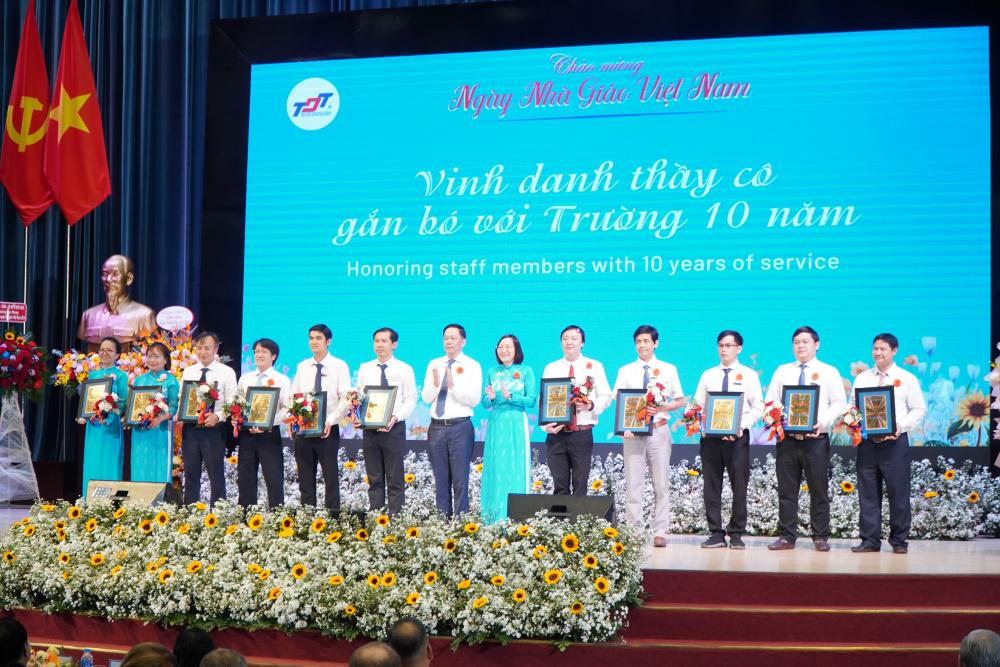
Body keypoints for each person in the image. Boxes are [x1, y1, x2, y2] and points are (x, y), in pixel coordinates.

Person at [765, 326, 847, 552]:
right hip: (787, 440)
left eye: (805, 342)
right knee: (786, 491)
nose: (800, 346)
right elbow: (770, 402)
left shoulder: (829, 371)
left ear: (816, 344)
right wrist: (777, 419)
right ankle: (786, 537)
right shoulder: (782, 371)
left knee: (818, 489)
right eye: (796, 342)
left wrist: (824, 421)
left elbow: (840, 403)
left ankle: (820, 536)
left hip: (816, 439)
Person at [850, 333, 927, 555]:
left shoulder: (906, 378)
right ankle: (869, 540)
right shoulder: (862, 378)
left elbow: (919, 409)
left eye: (883, 349)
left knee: (898, 493)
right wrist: (852, 420)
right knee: (868, 494)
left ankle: (899, 541)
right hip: (867, 444)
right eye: (875, 348)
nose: (878, 353)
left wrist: (901, 425)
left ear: (894, 351)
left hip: (895, 444)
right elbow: (853, 407)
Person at [611, 325, 686, 547]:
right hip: (633, 433)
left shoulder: (668, 369)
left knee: (660, 482)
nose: (642, 345)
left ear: (656, 343)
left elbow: (679, 400)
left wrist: (661, 408)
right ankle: (634, 530)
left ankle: (660, 531)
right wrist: (625, 423)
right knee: (633, 483)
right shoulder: (625, 370)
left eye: (646, 341)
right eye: (638, 341)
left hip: (659, 430)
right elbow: (619, 399)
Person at [693, 330, 763, 550]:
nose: (724, 349)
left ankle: (736, 533)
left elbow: (758, 407)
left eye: (729, 346)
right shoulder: (708, 375)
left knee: (739, 486)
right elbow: (697, 405)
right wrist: (701, 424)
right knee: (711, 486)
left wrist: (741, 426)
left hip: (737, 438)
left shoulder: (749, 375)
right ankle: (715, 533)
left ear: (739, 348)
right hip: (711, 440)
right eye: (721, 345)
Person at [540, 325, 611, 496]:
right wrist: (545, 427)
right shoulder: (551, 367)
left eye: (574, 338)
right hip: (556, 433)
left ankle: (579, 522)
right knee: (559, 485)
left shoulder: (594, 366)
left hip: (581, 433)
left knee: (580, 483)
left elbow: (606, 396)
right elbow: (544, 401)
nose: (569, 342)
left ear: (582, 343)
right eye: (565, 338)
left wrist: (591, 405)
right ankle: (560, 522)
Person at [420, 323, 482, 517]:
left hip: (460, 427)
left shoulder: (472, 365)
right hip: (436, 427)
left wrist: (453, 386)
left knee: (460, 480)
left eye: (453, 337)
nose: (448, 341)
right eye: (445, 337)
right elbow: (426, 398)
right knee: (440, 479)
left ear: (463, 341)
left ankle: (461, 524)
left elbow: (474, 400)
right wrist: (437, 385)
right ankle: (442, 523)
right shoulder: (434, 364)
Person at [355, 327, 417, 516]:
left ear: (394, 344)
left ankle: (395, 520)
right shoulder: (365, 368)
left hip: (393, 428)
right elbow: (359, 396)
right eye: (376, 341)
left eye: (384, 341)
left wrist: (395, 417)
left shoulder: (404, 369)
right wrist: (356, 414)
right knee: (374, 478)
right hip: (370, 430)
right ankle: (376, 518)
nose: (379, 345)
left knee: (395, 478)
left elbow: (410, 399)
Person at [290, 324, 350, 512]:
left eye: (318, 338)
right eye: (311, 338)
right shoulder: (302, 366)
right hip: (304, 429)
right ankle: (308, 516)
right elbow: (295, 396)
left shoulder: (339, 366)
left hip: (327, 428)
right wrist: (293, 421)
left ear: (328, 341)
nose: (313, 342)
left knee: (330, 476)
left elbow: (346, 398)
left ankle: (332, 517)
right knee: (305, 476)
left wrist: (331, 420)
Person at [480, 334, 537, 523]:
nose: (504, 350)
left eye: (508, 347)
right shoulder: (491, 371)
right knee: (495, 469)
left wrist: (511, 396)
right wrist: (493, 398)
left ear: (516, 350)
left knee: (515, 466)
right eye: (501, 347)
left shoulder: (526, 371)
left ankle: (517, 518)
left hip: (515, 422)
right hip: (496, 422)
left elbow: (531, 400)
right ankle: (492, 519)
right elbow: (485, 402)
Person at [178, 331, 238, 505]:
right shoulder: (188, 371)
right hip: (190, 430)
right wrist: (181, 414)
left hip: (214, 430)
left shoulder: (226, 372)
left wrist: (218, 416)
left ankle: (218, 515)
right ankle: (190, 516)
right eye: (199, 348)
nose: (202, 352)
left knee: (216, 475)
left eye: (207, 348)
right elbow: (183, 397)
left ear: (216, 349)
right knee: (190, 475)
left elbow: (232, 402)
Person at [235, 338, 291, 508]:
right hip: (247, 434)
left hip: (269, 434)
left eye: (263, 352)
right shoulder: (245, 378)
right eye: (256, 352)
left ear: (273, 356)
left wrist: (268, 423)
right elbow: (238, 404)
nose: (259, 355)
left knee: (274, 478)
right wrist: (238, 417)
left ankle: (276, 517)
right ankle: (245, 517)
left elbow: (287, 408)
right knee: (245, 478)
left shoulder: (282, 380)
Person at [77, 336, 129, 493]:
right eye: (102, 349)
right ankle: (90, 502)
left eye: (109, 350)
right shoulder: (93, 376)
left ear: (117, 355)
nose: (104, 353)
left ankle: (109, 505)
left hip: (110, 426)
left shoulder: (121, 376)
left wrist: (107, 414)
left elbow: (123, 401)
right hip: (94, 427)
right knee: (93, 462)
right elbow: (87, 400)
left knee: (109, 463)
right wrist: (84, 414)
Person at [77, 254, 157, 352]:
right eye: (105, 274)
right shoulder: (88, 315)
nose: (108, 280)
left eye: (115, 274)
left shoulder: (144, 315)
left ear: (129, 279)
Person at [130, 342, 179, 483]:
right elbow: (134, 405)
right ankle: (139, 503)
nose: (152, 360)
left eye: (156, 356)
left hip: (161, 429)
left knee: (159, 464)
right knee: (140, 462)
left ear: (166, 360)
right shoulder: (139, 380)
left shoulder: (171, 380)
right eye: (149, 356)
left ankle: (160, 502)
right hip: (140, 431)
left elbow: (174, 407)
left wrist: (160, 418)